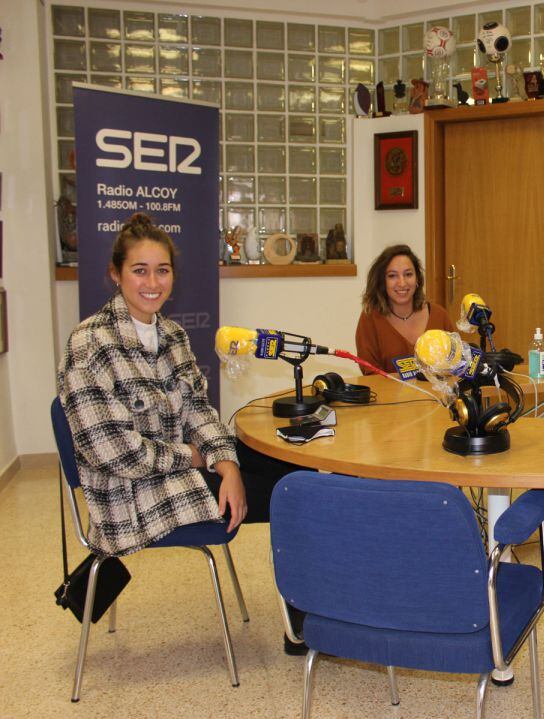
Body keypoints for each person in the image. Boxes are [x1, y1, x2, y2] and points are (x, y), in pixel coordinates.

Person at [56, 213, 309, 650]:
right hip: (130, 494)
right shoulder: (88, 344)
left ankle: (306, 611)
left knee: (292, 465)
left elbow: (198, 410)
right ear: (115, 274)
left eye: (162, 269)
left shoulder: (171, 335)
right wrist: (198, 457)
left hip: (179, 468)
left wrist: (226, 464)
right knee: (299, 493)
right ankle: (302, 628)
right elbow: (116, 454)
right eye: (139, 270)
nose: (152, 282)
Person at [355, 244, 454, 374]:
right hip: (388, 394)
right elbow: (370, 372)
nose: (402, 283)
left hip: (437, 394)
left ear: (417, 278)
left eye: (408, 274)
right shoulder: (370, 319)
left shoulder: (439, 316)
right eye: (392, 276)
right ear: (382, 281)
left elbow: (455, 364)